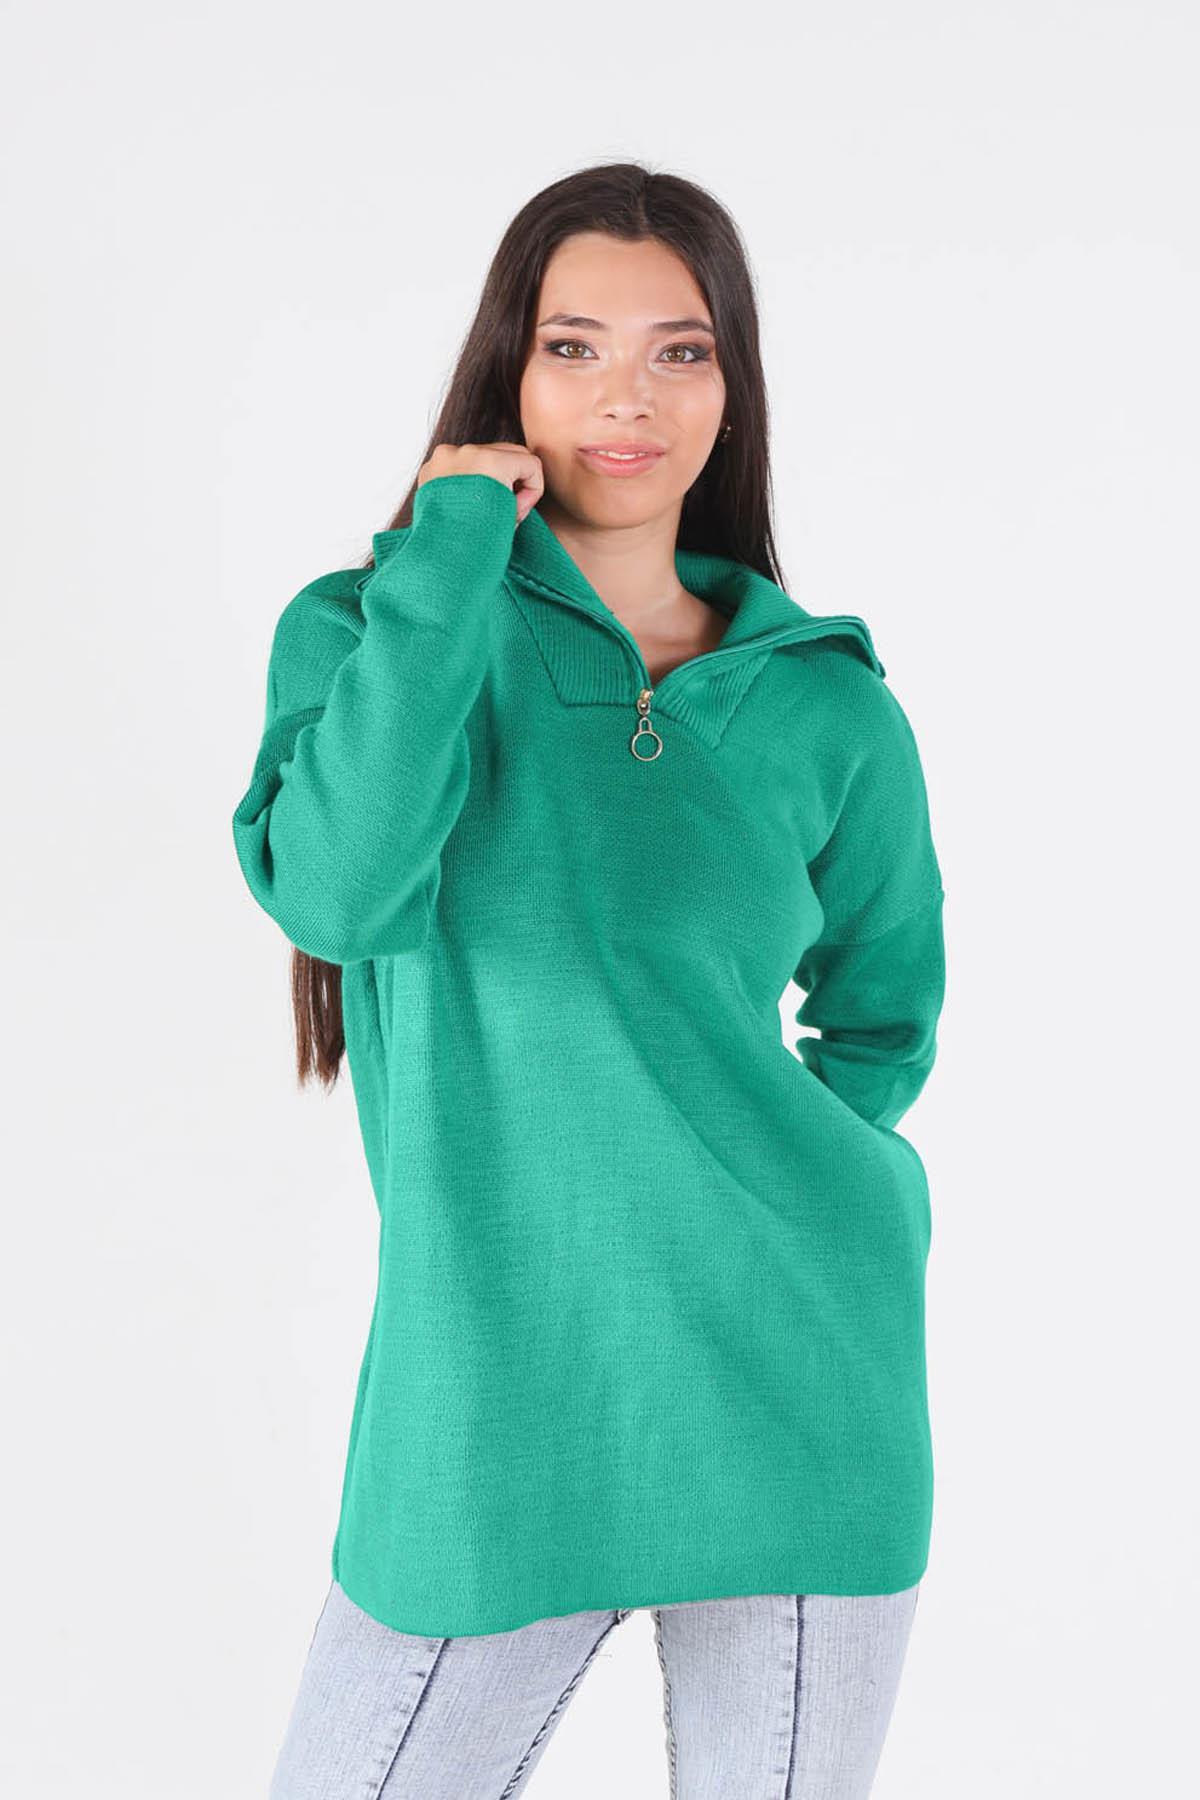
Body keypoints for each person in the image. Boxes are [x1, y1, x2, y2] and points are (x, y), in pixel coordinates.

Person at [233, 161, 946, 1798]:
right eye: (575, 347)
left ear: (731, 387)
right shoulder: (375, 630)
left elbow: (886, 1009)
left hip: (803, 1385)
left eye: (681, 351)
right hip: (492, 1404)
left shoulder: (827, 704)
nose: (629, 396)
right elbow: (336, 892)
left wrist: (809, 1185)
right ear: (511, 373)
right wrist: (446, 558)